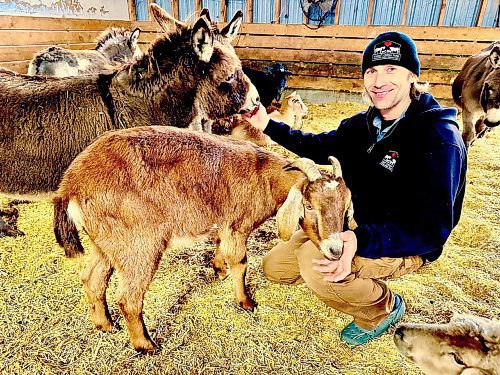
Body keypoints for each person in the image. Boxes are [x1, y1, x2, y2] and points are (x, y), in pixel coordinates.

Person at [242, 31, 467, 346]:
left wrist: (360, 240)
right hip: (354, 221)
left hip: (402, 239)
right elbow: (318, 145)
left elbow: (432, 230)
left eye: (391, 70)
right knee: (275, 267)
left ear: (412, 76)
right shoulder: (363, 125)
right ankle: (346, 275)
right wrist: (268, 125)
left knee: (313, 262)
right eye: (372, 71)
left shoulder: (438, 138)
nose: (378, 81)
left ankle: (383, 307)